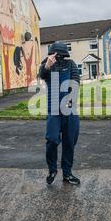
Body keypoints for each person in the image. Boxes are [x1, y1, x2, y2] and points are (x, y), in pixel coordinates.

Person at [38, 42, 81, 185]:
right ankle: (52, 169)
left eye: (57, 55)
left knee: (69, 142)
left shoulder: (70, 64)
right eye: (52, 54)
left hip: (70, 109)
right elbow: (42, 75)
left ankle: (67, 173)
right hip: (54, 110)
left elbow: (75, 81)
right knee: (51, 140)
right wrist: (47, 66)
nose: (55, 57)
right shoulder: (46, 64)